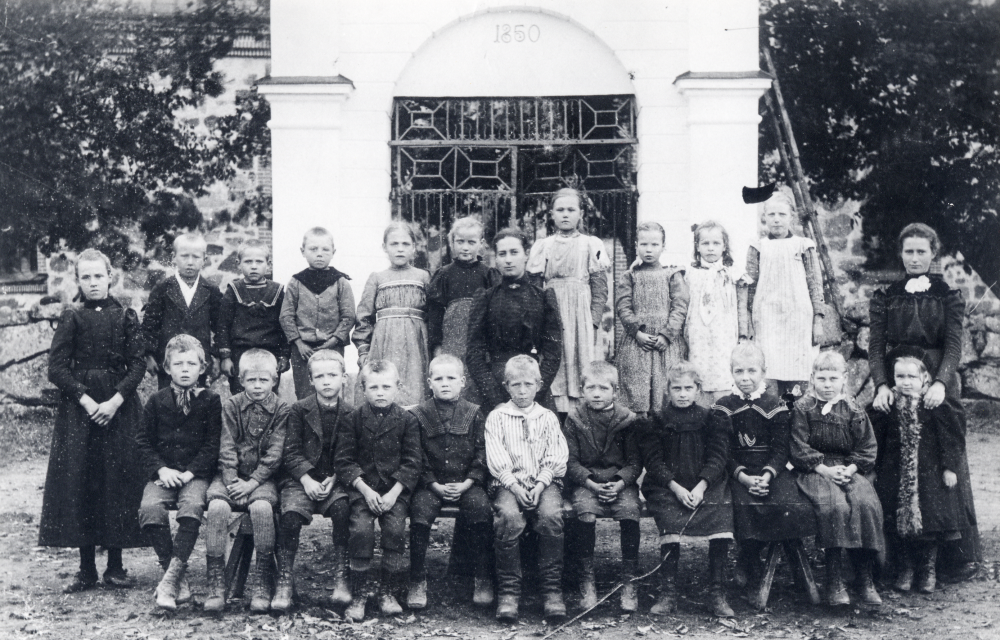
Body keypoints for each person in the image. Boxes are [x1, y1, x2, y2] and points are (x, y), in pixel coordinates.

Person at [869, 222, 980, 579]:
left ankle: (955, 554)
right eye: (908, 252)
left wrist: (942, 383)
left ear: (933, 254)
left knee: (944, 453)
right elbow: (875, 346)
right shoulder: (887, 295)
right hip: (898, 377)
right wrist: (882, 384)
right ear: (901, 255)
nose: (915, 258)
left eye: (921, 251)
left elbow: (953, 345)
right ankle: (894, 557)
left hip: (936, 378)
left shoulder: (948, 295)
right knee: (893, 458)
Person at [39, 249, 147, 593]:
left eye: (98, 276)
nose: (93, 282)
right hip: (80, 414)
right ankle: (86, 568)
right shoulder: (72, 317)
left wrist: (116, 400)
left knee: (117, 478)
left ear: (110, 277)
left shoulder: (126, 316)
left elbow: (138, 364)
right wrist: (86, 400)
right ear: (78, 281)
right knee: (84, 479)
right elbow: (56, 368)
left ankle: (115, 565)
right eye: (85, 277)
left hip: (119, 409)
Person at [713, 343, 816, 589]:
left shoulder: (777, 405)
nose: (746, 378)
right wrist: (745, 478)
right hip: (739, 474)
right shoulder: (723, 406)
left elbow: (781, 451)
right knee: (741, 503)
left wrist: (767, 475)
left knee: (788, 502)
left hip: (771, 471)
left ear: (763, 372)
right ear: (731, 372)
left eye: (752, 371)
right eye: (739, 372)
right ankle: (748, 557)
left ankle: (768, 557)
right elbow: (722, 452)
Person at [638, 361, 735, 618]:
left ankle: (717, 592)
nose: (682, 393)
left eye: (688, 388)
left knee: (721, 512)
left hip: (706, 484)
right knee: (670, 519)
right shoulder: (657, 419)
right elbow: (653, 460)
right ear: (668, 390)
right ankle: (668, 592)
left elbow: (718, 456)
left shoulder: (711, 418)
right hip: (667, 485)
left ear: (698, 390)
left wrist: (702, 485)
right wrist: (676, 487)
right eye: (677, 388)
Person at [790, 351, 884, 607]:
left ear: (844, 378)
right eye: (822, 379)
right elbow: (798, 447)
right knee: (835, 506)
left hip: (847, 468)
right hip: (814, 471)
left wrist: (852, 468)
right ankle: (834, 581)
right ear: (812, 378)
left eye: (833, 378)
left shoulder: (853, 408)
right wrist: (824, 469)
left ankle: (864, 579)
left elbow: (867, 447)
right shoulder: (802, 408)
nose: (828, 385)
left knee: (865, 502)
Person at [135, 334, 221, 610]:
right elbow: (143, 442)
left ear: (203, 367)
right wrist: (161, 468)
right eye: (178, 363)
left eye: (191, 363)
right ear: (167, 368)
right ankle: (176, 579)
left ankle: (170, 581)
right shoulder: (156, 401)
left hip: (194, 476)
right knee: (150, 508)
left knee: (192, 506)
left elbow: (212, 445)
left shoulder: (211, 400)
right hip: (163, 475)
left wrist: (190, 472)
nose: (185, 369)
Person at [871, 354, 968, 594]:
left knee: (930, 519)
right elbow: (874, 439)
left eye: (912, 376)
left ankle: (927, 568)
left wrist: (949, 467)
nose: (905, 382)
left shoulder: (933, 403)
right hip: (894, 473)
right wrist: (872, 469)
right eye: (900, 376)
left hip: (928, 474)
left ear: (925, 377)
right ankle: (906, 568)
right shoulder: (888, 404)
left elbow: (951, 438)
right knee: (895, 519)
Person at [335, 359, 422, 621]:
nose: (380, 392)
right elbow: (344, 461)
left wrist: (394, 492)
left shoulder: (407, 420)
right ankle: (360, 593)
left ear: (398, 387)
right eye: (374, 387)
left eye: (386, 386)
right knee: (361, 530)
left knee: (395, 529)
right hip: (363, 492)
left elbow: (413, 462)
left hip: (394, 492)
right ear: (363, 389)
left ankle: (388, 591)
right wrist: (364, 489)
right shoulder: (353, 419)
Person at [203, 350, 289, 613]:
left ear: (274, 379)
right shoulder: (231, 406)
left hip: (262, 479)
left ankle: (262, 580)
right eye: (252, 380)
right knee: (217, 508)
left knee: (262, 509)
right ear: (241, 380)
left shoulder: (282, 409)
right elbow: (226, 445)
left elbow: (276, 453)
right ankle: (216, 581)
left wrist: (251, 483)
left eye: (264, 380)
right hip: (230, 476)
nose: (258, 386)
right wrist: (231, 482)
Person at [485, 355, 569, 621]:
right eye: (516, 385)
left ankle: (551, 592)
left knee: (551, 516)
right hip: (508, 482)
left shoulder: (547, 417)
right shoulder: (497, 417)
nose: (522, 391)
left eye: (528, 384)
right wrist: (515, 486)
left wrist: (542, 482)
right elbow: (496, 457)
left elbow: (556, 455)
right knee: (509, 517)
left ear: (539, 385)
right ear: (506, 385)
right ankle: (509, 593)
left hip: (545, 482)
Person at [407, 354, 493, 609]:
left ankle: (483, 576)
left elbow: (482, 454)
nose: (445, 383)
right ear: (429, 382)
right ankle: (416, 578)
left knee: (481, 509)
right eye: (439, 378)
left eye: (451, 378)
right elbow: (415, 456)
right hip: (430, 486)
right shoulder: (418, 415)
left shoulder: (475, 413)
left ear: (463, 382)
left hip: (467, 485)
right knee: (420, 513)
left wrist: (468, 482)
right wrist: (433, 484)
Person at [272, 349, 352, 612]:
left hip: (335, 480)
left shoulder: (351, 413)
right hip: (300, 480)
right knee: (291, 516)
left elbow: (352, 453)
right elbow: (290, 451)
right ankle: (284, 580)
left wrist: (336, 477)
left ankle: (342, 577)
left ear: (344, 378)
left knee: (342, 510)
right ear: (311, 380)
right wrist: (306, 479)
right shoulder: (298, 410)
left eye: (332, 375)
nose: (326, 381)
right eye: (319, 376)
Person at [561, 361, 642, 612]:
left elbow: (634, 462)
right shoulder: (574, 419)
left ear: (615, 391)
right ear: (582, 390)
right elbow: (570, 461)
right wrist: (591, 484)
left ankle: (629, 579)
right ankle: (587, 579)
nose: (597, 393)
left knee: (630, 511)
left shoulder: (628, 420)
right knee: (584, 513)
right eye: (591, 388)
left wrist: (619, 483)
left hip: (619, 482)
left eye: (603, 388)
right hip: (586, 482)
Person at [526, 188, 610, 413]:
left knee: (582, 357)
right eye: (560, 210)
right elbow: (534, 287)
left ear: (580, 213)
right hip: (554, 308)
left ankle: (583, 409)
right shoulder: (544, 245)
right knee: (556, 356)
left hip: (581, 311)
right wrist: (540, 317)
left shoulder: (590, 244)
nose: (565, 214)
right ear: (551, 214)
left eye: (571, 210)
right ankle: (557, 408)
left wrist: (593, 321)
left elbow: (600, 288)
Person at [742, 193, 825, 404]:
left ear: (791, 217)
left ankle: (798, 427)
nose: (776, 219)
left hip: (799, 321)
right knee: (768, 379)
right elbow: (750, 287)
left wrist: (818, 320)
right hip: (767, 320)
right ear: (764, 218)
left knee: (799, 382)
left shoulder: (804, 245)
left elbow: (815, 284)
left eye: (782, 214)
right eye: (771, 214)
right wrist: (749, 322)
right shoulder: (758, 246)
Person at [466, 228, 562, 410]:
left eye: (514, 252)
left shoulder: (543, 297)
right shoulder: (485, 298)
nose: (508, 259)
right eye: (502, 254)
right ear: (496, 258)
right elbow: (474, 354)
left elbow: (553, 354)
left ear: (526, 255)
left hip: (533, 385)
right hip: (495, 385)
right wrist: (497, 400)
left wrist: (534, 394)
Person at [353, 222, 431, 406]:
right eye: (394, 244)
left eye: (405, 244)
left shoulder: (423, 277)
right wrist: (363, 351)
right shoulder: (377, 278)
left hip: (416, 347)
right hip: (384, 345)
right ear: (384, 247)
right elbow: (364, 317)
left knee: (415, 393)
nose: (400, 249)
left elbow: (431, 315)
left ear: (414, 247)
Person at [615, 221, 689, 414]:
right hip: (637, 343)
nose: (649, 250)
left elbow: (679, 307)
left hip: (666, 344)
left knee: (664, 393)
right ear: (636, 245)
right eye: (644, 244)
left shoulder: (672, 275)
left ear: (663, 246)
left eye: (655, 245)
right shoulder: (628, 277)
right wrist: (637, 332)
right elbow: (623, 307)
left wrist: (666, 335)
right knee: (635, 393)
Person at [426, 216, 500, 403]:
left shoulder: (488, 274)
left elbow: (495, 311)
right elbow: (435, 313)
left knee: (477, 383)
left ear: (481, 244)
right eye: (460, 242)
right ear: (452, 243)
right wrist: (437, 346)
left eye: (471, 242)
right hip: (452, 341)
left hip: (479, 340)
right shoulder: (444, 274)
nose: (465, 247)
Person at [279, 227, 356, 399]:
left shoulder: (341, 282)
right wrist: (298, 343)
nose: (319, 254)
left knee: (332, 392)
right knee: (306, 395)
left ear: (333, 252)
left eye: (325, 250)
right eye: (313, 249)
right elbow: (286, 316)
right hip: (303, 351)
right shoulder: (296, 282)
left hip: (332, 348)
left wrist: (334, 340)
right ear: (303, 251)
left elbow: (349, 316)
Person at [141, 232, 222, 389]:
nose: (190, 262)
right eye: (184, 256)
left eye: (196, 257)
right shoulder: (162, 288)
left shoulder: (211, 290)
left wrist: (217, 356)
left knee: (198, 405)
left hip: (199, 361)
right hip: (170, 361)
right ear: (174, 257)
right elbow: (150, 324)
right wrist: (149, 355)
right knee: (169, 404)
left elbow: (220, 326)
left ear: (204, 260)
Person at [218, 239, 291, 394]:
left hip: (270, 353)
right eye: (248, 261)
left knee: (268, 394)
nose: (253, 266)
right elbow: (223, 325)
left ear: (268, 264)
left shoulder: (277, 292)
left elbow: (285, 326)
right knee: (240, 393)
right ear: (238, 263)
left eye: (259, 261)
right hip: (240, 353)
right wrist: (226, 357)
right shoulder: (233, 291)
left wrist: (284, 356)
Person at [685, 221, 744, 404]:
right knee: (698, 370)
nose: (710, 248)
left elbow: (741, 306)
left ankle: (724, 410)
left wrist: (743, 334)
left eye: (716, 243)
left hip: (724, 333)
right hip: (698, 332)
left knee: (723, 372)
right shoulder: (689, 273)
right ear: (697, 246)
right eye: (705, 243)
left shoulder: (733, 274)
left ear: (724, 246)